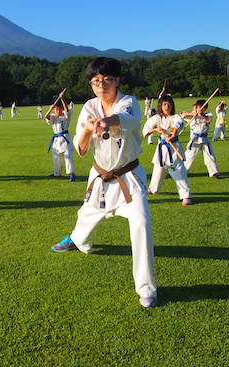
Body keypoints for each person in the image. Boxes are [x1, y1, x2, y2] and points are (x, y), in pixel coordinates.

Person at [50, 57, 157, 308]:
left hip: (128, 178)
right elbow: (81, 149)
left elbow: (129, 120)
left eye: (107, 80)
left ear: (117, 80)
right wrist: (88, 128)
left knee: (141, 223)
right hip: (100, 177)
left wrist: (106, 121)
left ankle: (146, 288)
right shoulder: (89, 107)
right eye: (96, 81)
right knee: (88, 215)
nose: (101, 85)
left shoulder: (128, 102)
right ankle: (77, 240)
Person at [143, 95, 192, 206]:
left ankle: (186, 195)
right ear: (160, 106)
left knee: (179, 171)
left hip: (174, 148)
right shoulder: (156, 118)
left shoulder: (176, 117)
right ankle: (153, 188)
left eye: (169, 104)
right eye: (165, 104)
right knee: (158, 170)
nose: (167, 106)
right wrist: (156, 129)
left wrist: (173, 134)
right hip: (162, 148)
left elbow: (177, 125)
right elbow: (145, 130)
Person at [182, 100, 220, 178]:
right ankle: (182, 172)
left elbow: (208, 119)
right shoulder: (192, 115)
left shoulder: (208, 115)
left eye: (202, 108)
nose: (200, 109)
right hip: (194, 140)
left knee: (210, 156)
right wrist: (192, 114)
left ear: (205, 109)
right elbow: (182, 114)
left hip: (205, 139)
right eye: (199, 107)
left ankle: (214, 173)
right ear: (196, 107)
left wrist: (201, 114)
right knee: (189, 156)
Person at [45, 91, 76, 181]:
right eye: (55, 109)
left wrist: (62, 98)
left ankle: (72, 173)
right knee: (56, 157)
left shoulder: (66, 115)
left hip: (65, 138)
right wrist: (50, 109)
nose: (57, 111)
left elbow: (67, 110)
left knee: (68, 156)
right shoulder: (53, 116)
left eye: (58, 109)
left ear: (61, 109)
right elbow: (46, 117)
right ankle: (57, 173)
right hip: (56, 140)